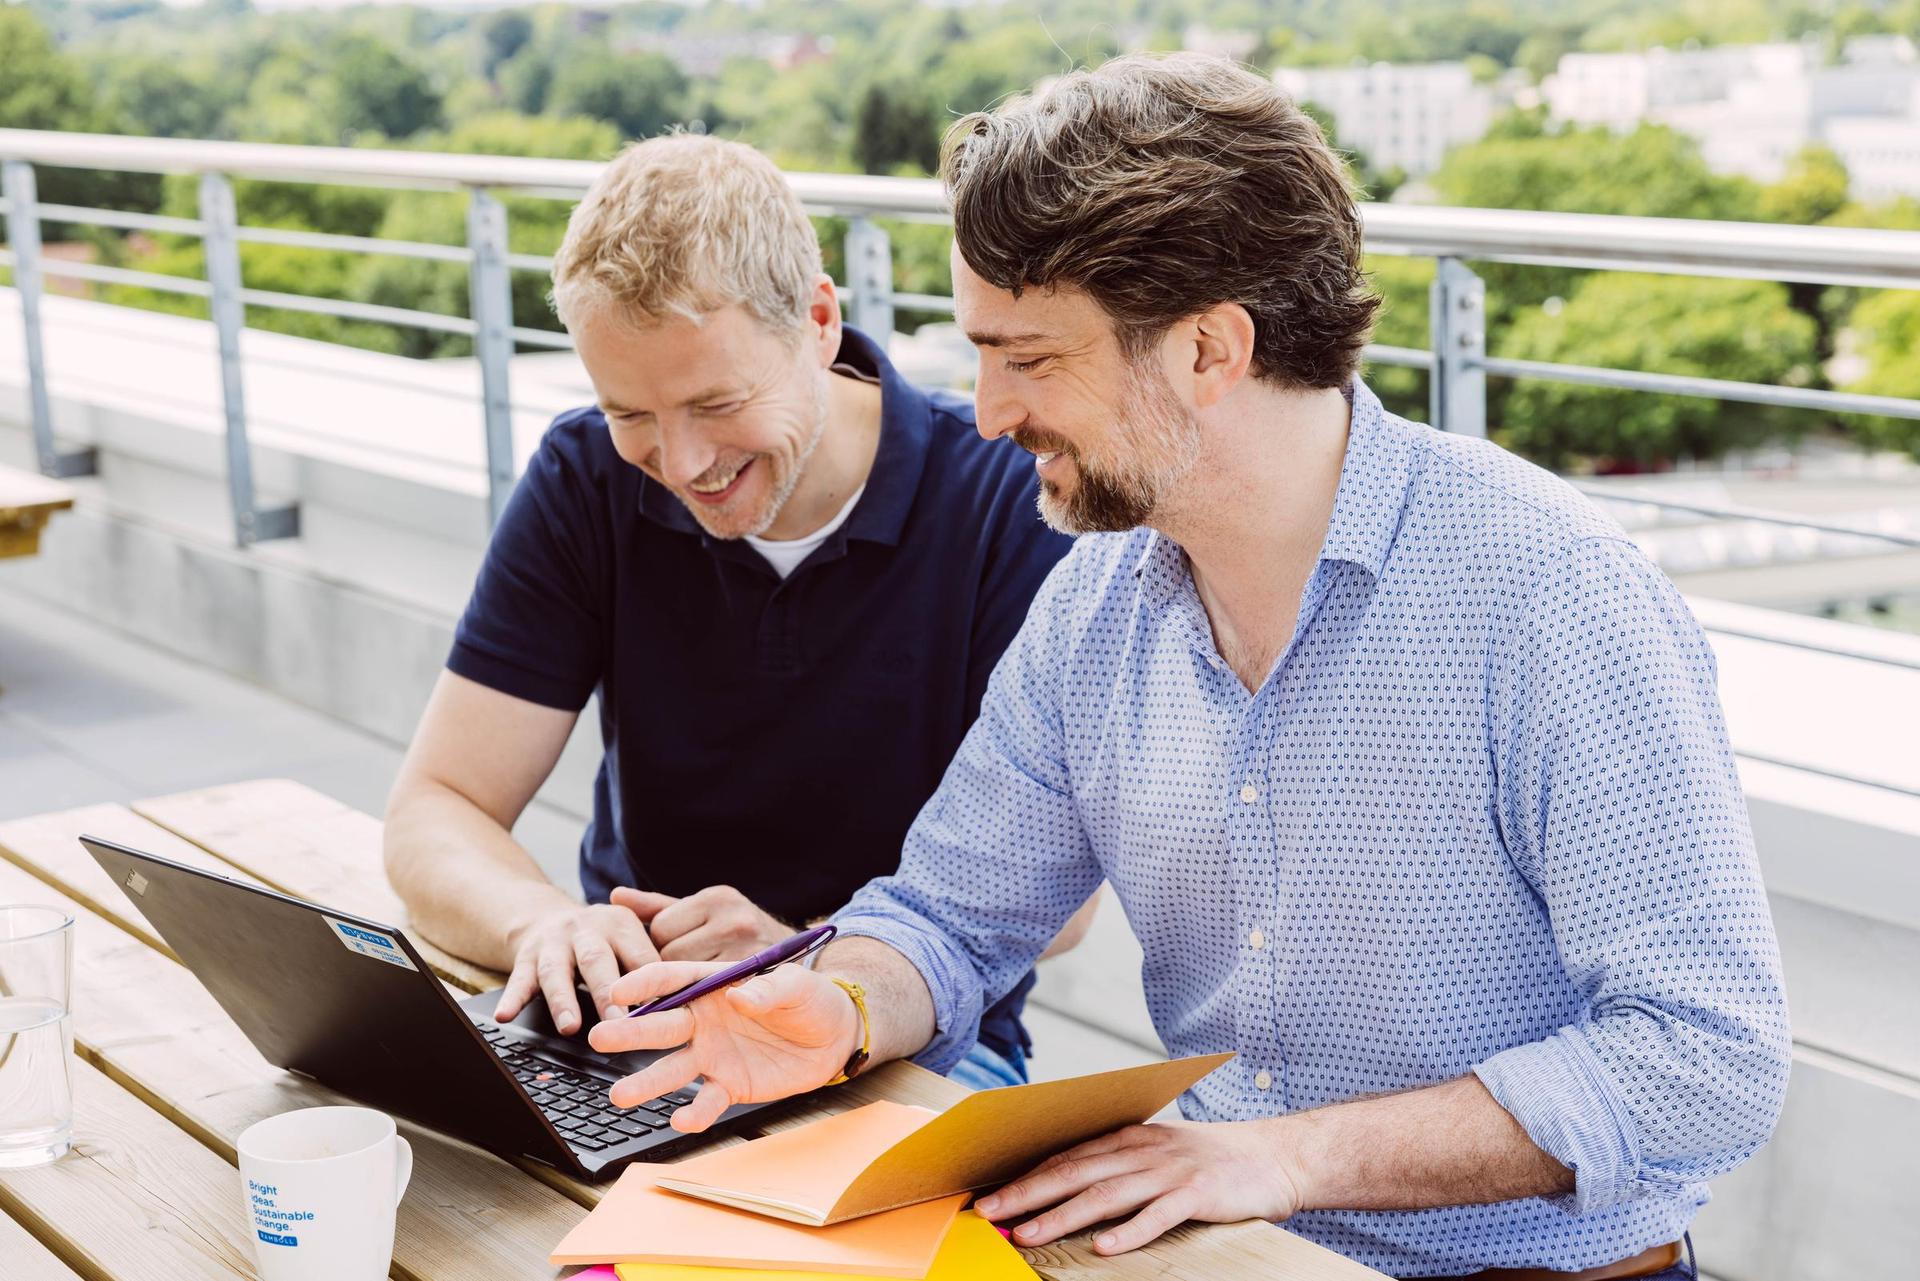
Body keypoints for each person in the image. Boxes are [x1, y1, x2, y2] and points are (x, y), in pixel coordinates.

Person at [585, 55, 1791, 1281]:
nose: (989, 414)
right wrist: (837, 1010)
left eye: (1033, 360)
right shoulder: (1095, 607)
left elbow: (1706, 1059)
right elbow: (949, 919)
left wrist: (1283, 1159)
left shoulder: (1548, 594)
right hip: (1219, 1253)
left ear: (1211, 348)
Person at [383, 133, 1082, 1092]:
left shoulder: (1005, 499)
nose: (678, 465)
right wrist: (541, 922)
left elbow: (1061, 905)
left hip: (903, 1049)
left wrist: (810, 957)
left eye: (716, 402)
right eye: (631, 412)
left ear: (819, 321)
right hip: (645, 1024)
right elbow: (437, 807)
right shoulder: (586, 474)